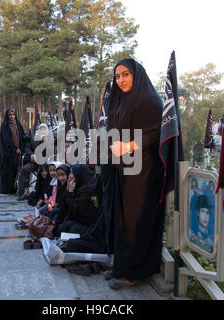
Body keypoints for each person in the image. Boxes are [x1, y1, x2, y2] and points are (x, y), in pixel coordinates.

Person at [105, 58, 165, 290]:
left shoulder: (149, 100)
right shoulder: (121, 100)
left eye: (125, 75)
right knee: (122, 219)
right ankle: (122, 266)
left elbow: (156, 133)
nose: (120, 80)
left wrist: (129, 146)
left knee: (136, 220)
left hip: (145, 172)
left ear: (136, 75)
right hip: (124, 168)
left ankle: (136, 272)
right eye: (117, 76)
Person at [54, 163, 100, 237]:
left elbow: (75, 208)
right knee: (56, 217)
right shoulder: (78, 185)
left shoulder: (88, 190)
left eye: (72, 173)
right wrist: (67, 190)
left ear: (79, 174)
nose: (69, 176)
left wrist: (70, 192)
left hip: (86, 224)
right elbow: (65, 207)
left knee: (66, 228)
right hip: (76, 220)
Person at [0, 107, 26, 194]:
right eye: (10, 115)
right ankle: (6, 189)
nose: (12, 116)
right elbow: (6, 139)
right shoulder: (4, 125)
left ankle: (14, 188)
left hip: (17, 153)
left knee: (15, 170)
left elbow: (22, 136)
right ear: (7, 116)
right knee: (7, 171)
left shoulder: (18, 124)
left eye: (13, 115)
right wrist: (15, 148)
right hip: (7, 152)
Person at [17, 123, 51, 200]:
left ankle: (41, 192)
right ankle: (25, 191)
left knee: (43, 170)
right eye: (40, 129)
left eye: (44, 129)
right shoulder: (34, 139)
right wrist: (31, 154)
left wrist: (45, 140)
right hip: (34, 163)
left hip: (46, 163)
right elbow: (27, 148)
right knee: (24, 169)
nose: (42, 131)